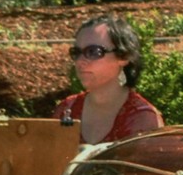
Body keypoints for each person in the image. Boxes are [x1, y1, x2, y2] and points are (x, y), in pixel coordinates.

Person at [52, 14, 163, 143]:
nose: (80, 61)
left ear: (123, 57)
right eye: (76, 53)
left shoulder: (142, 118)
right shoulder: (66, 110)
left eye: (93, 52)